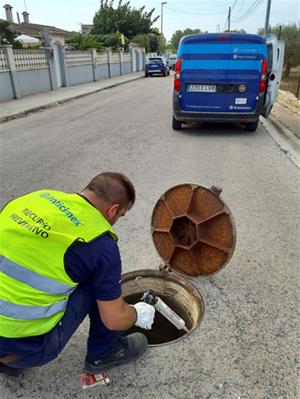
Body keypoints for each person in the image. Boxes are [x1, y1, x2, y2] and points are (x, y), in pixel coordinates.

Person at [0, 172, 155, 377]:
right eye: (120, 215)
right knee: (96, 280)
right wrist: (137, 313)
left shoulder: (32, 199)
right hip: (25, 349)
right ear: (113, 210)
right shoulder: (100, 243)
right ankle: (104, 353)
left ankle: (7, 361)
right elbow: (114, 319)